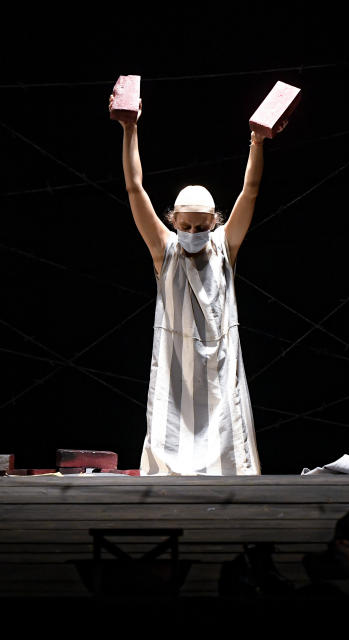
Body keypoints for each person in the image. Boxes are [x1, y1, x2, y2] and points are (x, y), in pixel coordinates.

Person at [110, 93, 285, 475]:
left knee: (227, 445)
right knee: (168, 435)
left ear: (214, 224)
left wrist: (256, 144)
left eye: (200, 227)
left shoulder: (224, 246)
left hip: (220, 362)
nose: (192, 233)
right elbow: (135, 189)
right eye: (186, 226)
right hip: (175, 362)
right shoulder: (164, 249)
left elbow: (249, 192)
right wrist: (130, 129)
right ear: (173, 221)